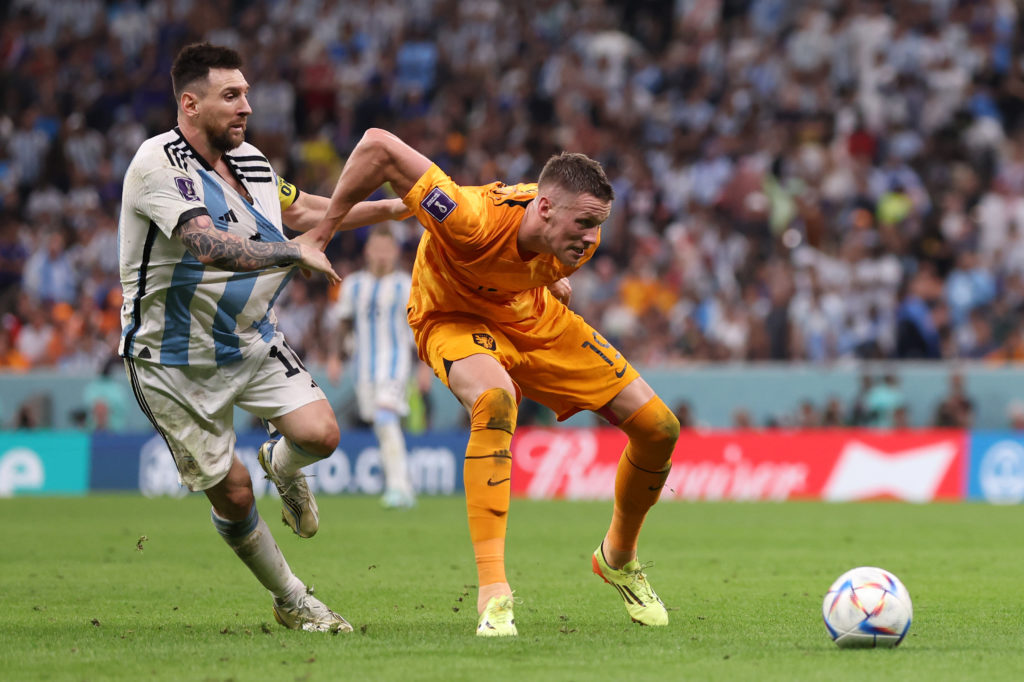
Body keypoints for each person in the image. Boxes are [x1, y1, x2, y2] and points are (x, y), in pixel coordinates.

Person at [304, 128, 680, 636]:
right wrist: (321, 234)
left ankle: (618, 557)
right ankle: (494, 593)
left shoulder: (566, 235)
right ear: (546, 209)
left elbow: (531, 256)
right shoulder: (470, 218)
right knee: (496, 400)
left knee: (659, 427)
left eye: (599, 226)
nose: (593, 239)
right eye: (586, 224)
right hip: (451, 317)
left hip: (532, 318)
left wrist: (550, 275)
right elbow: (376, 146)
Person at [117, 43, 406, 633]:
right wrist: (292, 254)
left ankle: (283, 460)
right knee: (236, 496)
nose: (247, 105)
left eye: (246, 93)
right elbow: (207, 244)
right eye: (232, 96)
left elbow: (305, 214)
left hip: (248, 339)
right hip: (173, 362)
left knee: (322, 434)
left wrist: (400, 208)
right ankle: (294, 598)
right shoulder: (158, 163)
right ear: (190, 105)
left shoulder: (249, 161)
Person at [327, 225, 418, 509]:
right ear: (367, 252)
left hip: (395, 365)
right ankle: (402, 484)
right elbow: (343, 324)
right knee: (382, 425)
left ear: (395, 252)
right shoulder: (353, 285)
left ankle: (398, 489)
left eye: (386, 249)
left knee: (384, 418)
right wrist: (335, 358)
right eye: (376, 249)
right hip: (364, 369)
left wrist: (426, 367)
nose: (381, 255)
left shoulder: (408, 285)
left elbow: (419, 328)